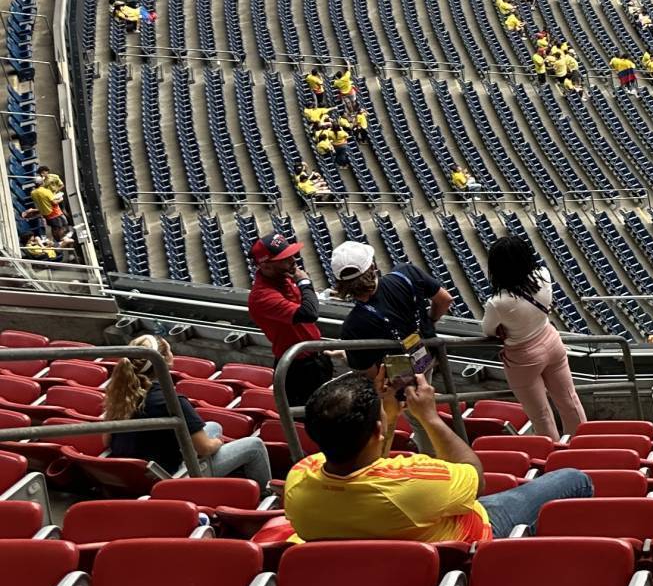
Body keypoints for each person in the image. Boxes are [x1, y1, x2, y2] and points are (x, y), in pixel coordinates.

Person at [283, 367, 592, 544]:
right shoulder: (415, 485)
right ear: (378, 430)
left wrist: (388, 414)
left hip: (382, 562)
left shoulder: (298, 482)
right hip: (470, 540)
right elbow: (474, 475)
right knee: (575, 479)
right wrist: (430, 417)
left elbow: (367, 463)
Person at [102, 334, 270, 487]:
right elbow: (204, 448)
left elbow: (106, 441)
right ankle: (265, 496)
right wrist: (217, 443)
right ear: (165, 360)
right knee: (254, 446)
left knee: (214, 426)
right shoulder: (172, 401)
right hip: (171, 478)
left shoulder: (121, 394)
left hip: (134, 472)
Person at [477, 233, 584, 439]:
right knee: (570, 400)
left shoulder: (498, 302)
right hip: (552, 341)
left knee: (541, 414)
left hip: (523, 355)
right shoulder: (543, 274)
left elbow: (488, 330)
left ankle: (553, 454)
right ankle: (583, 443)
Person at [329, 240, 452, 360]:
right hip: (431, 354)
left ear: (340, 283)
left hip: (400, 375)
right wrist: (431, 321)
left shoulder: (351, 326)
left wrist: (344, 355)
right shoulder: (407, 273)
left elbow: (370, 372)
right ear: (373, 266)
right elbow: (445, 300)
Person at [245, 233, 333, 400]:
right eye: (284, 259)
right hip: (297, 368)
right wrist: (305, 282)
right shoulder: (262, 296)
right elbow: (309, 313)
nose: (292, 261)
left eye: (291, 255)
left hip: (316, 357)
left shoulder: (285, 278)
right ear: (266, 266)